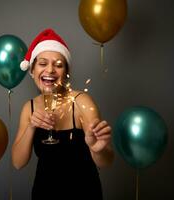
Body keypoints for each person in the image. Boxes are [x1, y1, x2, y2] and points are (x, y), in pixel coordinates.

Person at [12, 28, 114, 200]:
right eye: (43, 64)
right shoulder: (28, 108)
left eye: (58, 65)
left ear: (66, 73)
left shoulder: (81, 102)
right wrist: (31, 126)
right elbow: (18, 163)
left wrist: (98, 149)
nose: (50, 70)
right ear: (32, 70)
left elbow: (106, 162)